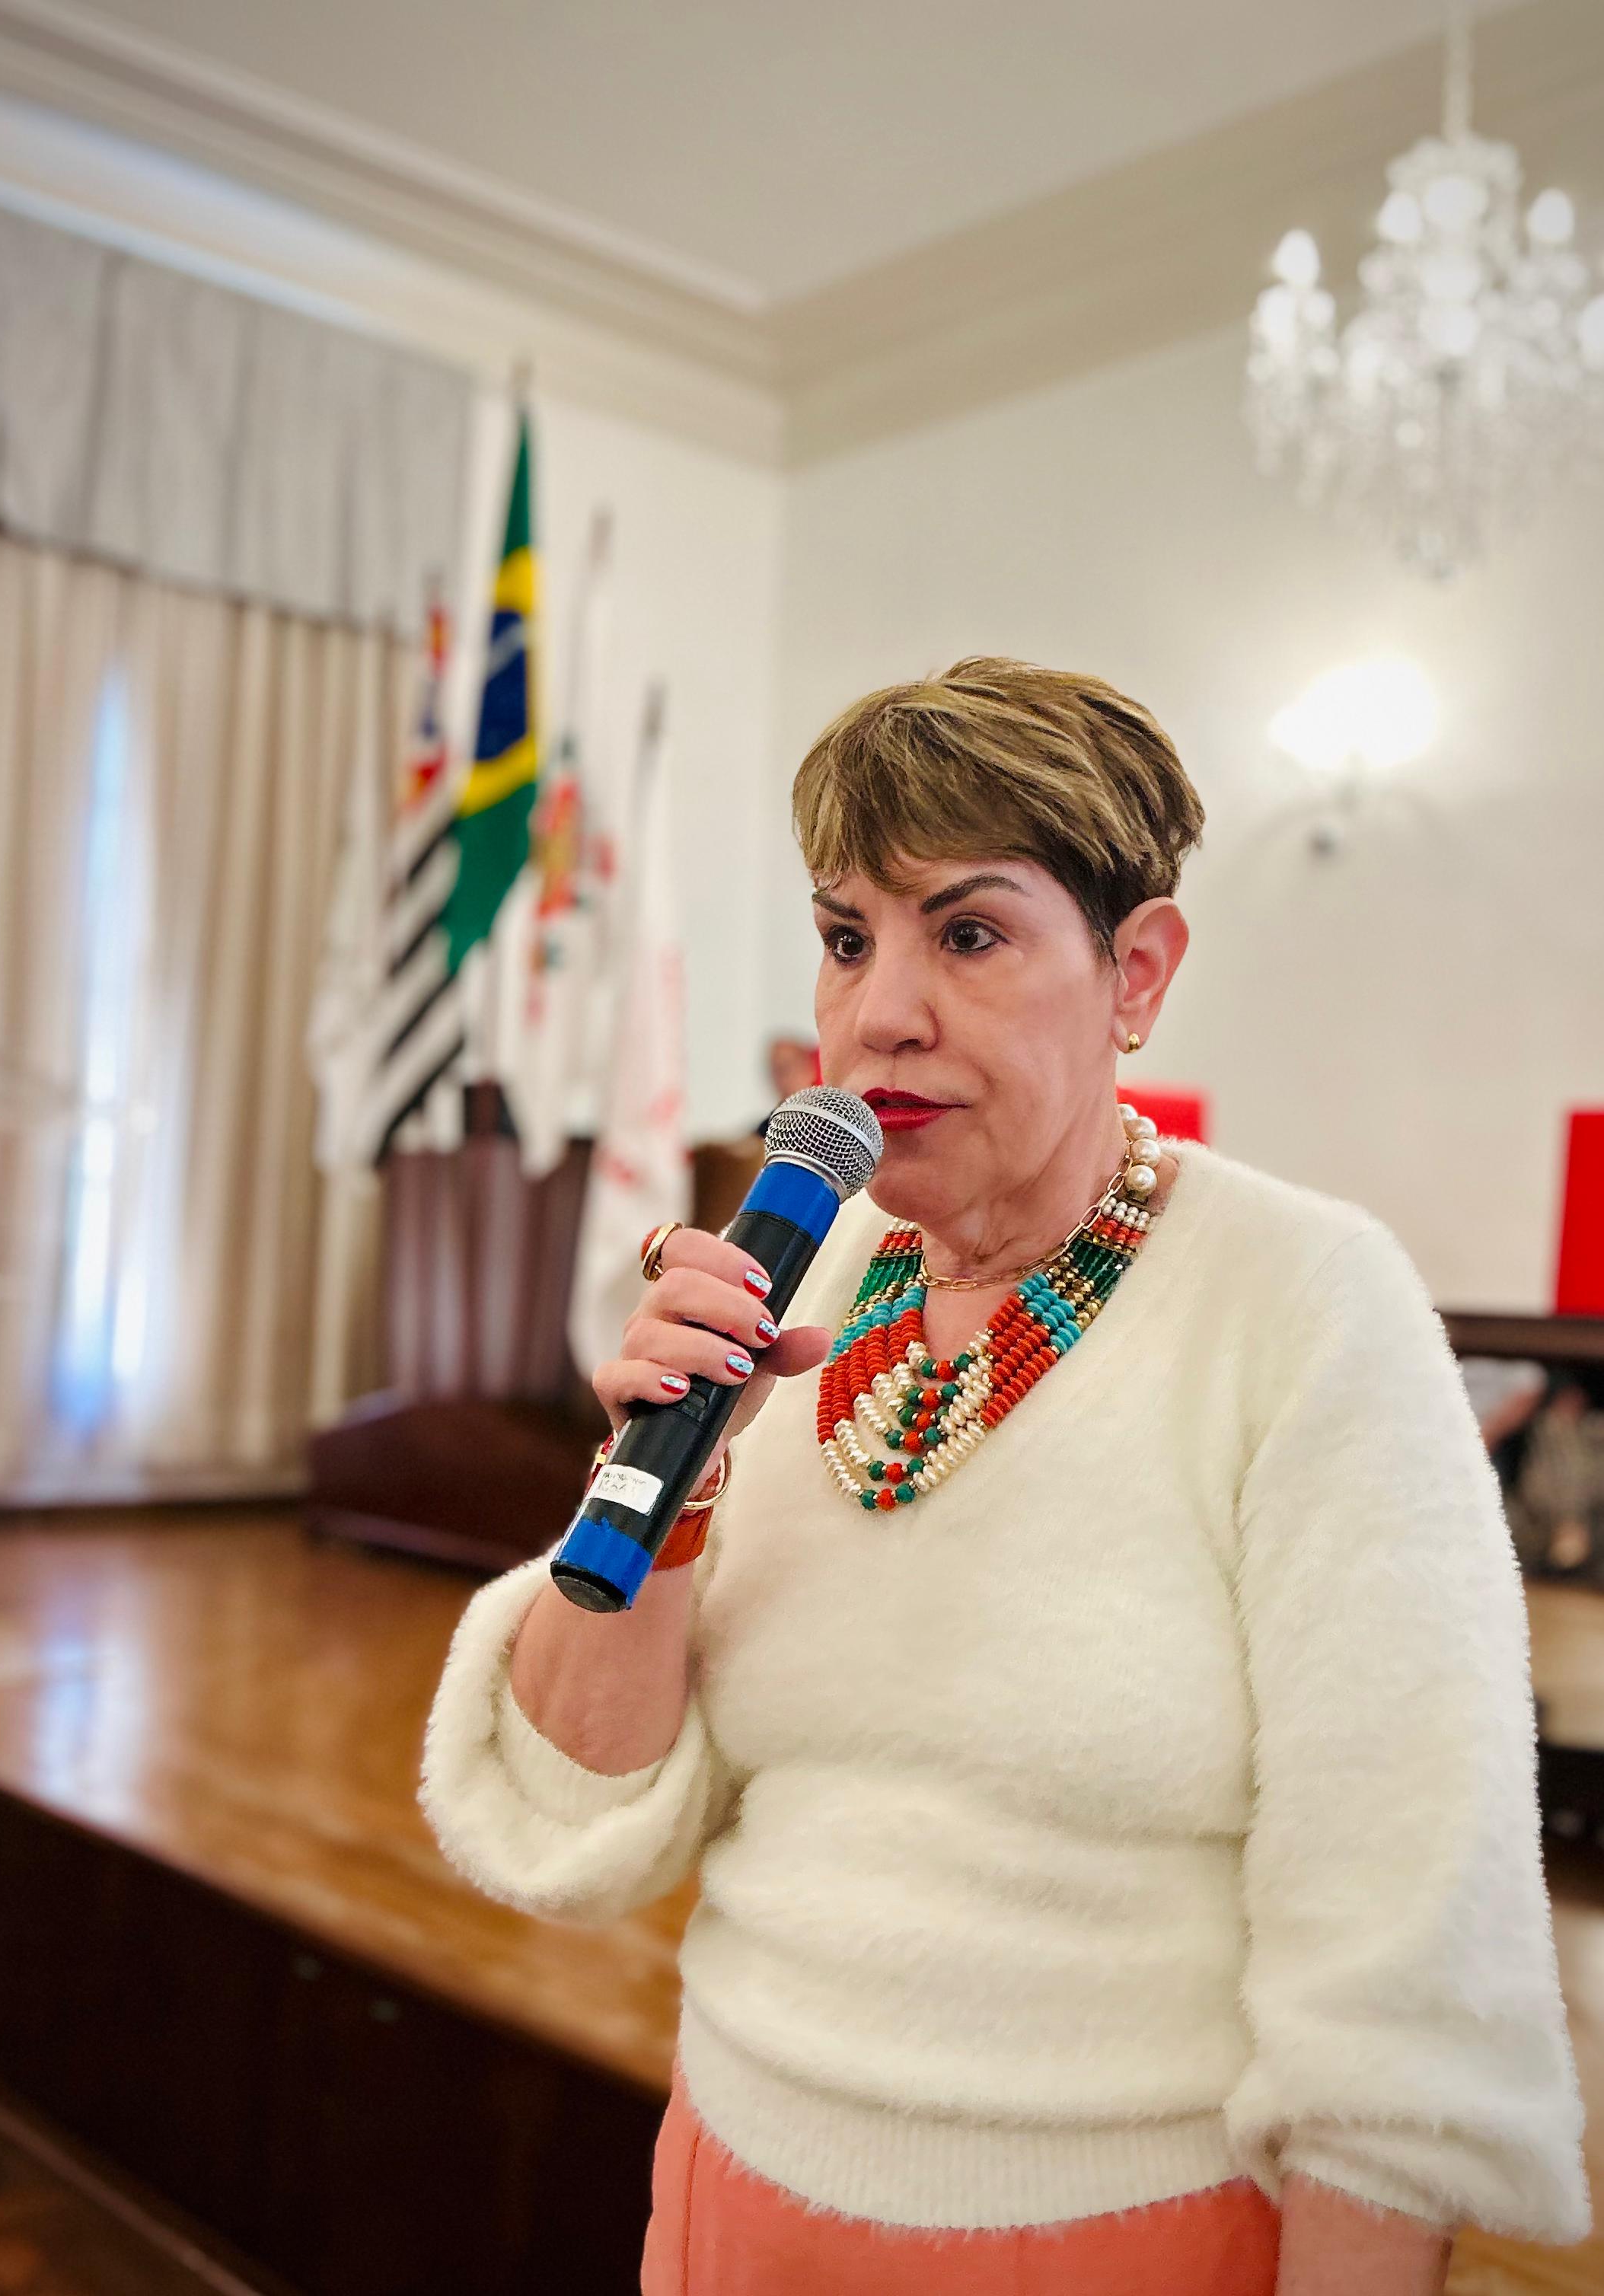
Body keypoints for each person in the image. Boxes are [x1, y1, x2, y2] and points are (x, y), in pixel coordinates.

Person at [422, 659, 1590, 2294]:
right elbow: (576, 1802)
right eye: (846, 938)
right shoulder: (802, 1283)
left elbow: (1407, 1945)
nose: (876, 1013)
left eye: (967, 934)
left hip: (1113, 2233)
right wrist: (663, 1482)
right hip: (732, 2181)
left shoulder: (1306, 1304)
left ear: (1137, 970)